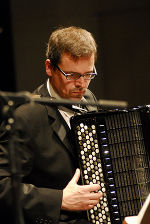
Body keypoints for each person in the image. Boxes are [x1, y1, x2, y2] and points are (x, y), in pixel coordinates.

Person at [0, 26, 102, 224]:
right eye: (72, 75)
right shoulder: (27, 116)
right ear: (49, 67)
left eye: (88, 74)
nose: (81, 84)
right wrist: (60, 200)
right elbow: (2, 185)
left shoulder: (88, 99)